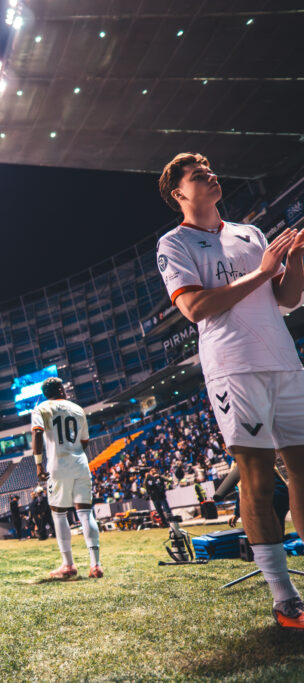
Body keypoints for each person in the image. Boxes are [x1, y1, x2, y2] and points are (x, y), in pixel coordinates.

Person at [156, 152, 304, 628]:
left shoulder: (251, 233)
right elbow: (196, 308)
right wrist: (262, 271)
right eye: (198, 175)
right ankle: (285, 599)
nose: (211, 175)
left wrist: (295, 262)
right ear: (179, 194)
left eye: (211, 170)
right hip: (233, 370)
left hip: (283, 361)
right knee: (258, 480)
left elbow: (285, 299)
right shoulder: (173, 244)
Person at [31, 377, 103, 580]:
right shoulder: (77, 409)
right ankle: (95, 565)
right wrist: (75, 455)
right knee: (85, 513)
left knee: (59, 514)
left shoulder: (42, 408)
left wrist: (38, 463)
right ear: (61, 390)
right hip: (80, 463)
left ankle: (68, 565)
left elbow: (37, 434)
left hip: (58, 464)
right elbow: (85, 440)